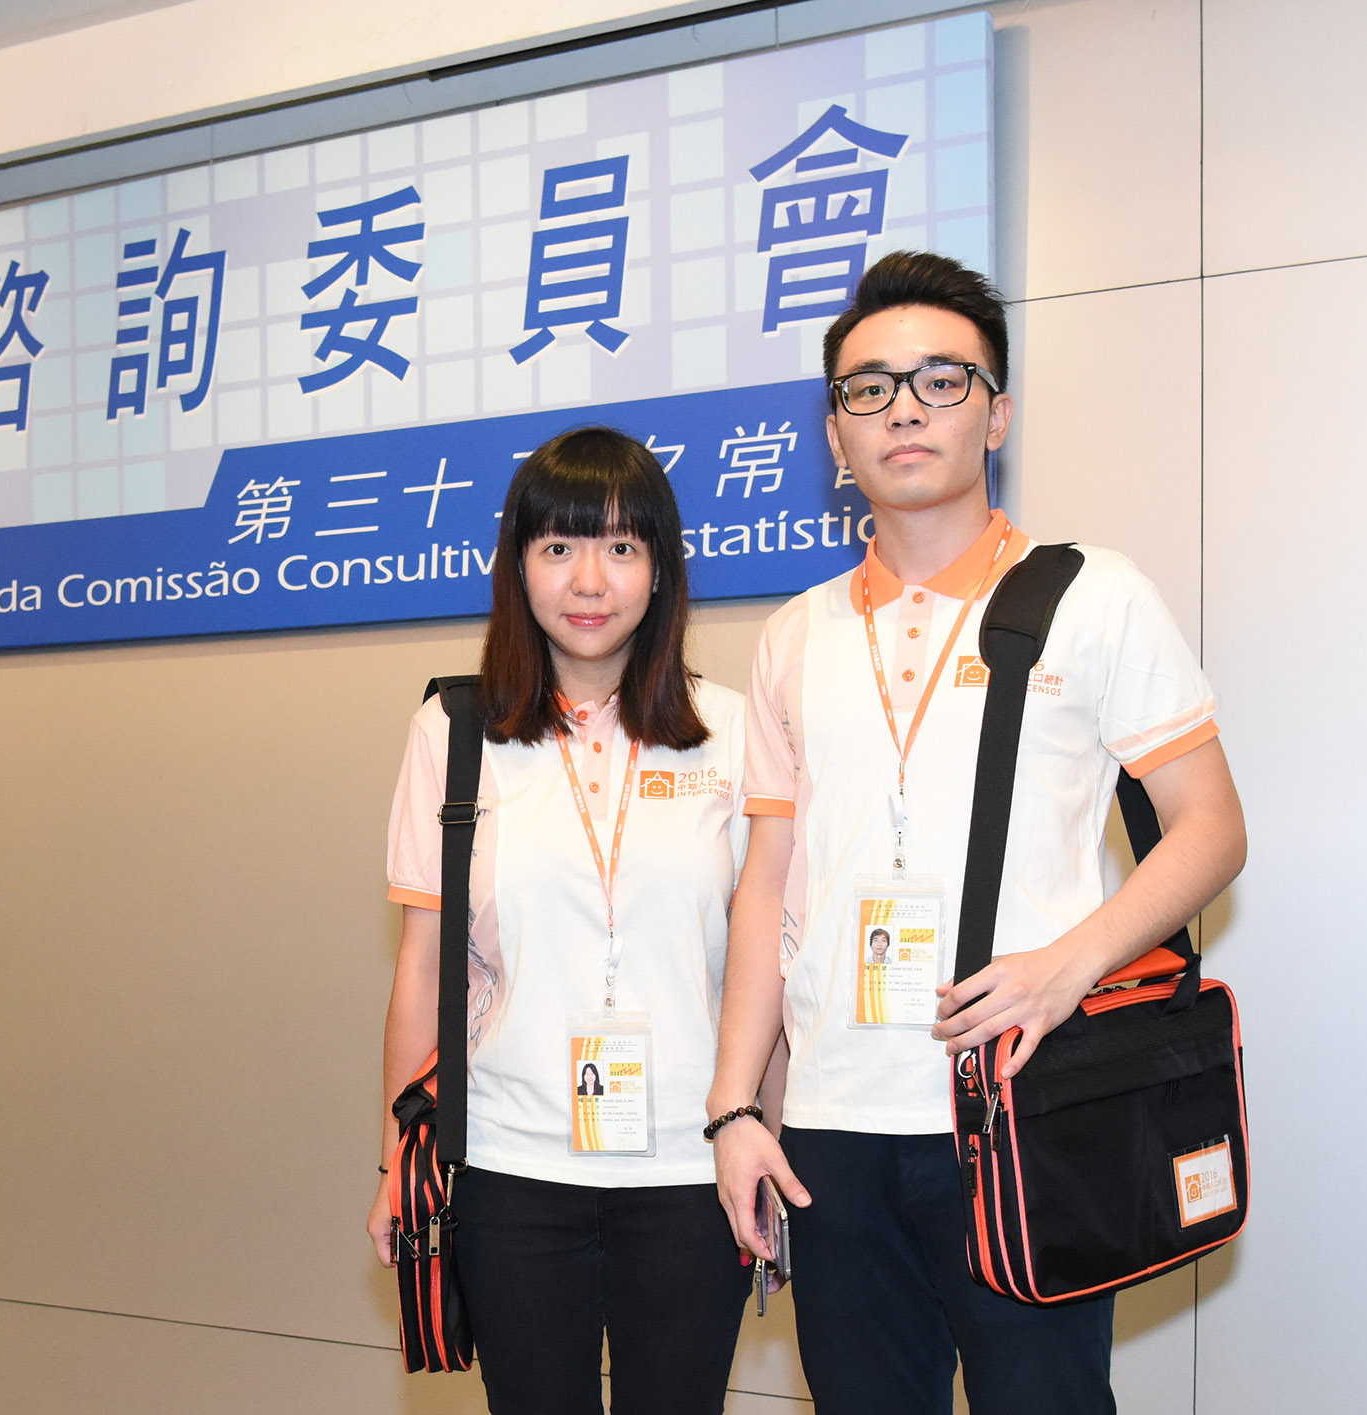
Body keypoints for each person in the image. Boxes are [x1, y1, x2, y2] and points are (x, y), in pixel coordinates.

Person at [703, 252, 1247, 1415]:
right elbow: (766, 885)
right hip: (832, 1130)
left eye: (940, 380)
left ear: (995, 414)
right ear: (834, 434)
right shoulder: (794, 634)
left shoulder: (1092, 594)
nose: (903, 408)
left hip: (1020, 1104)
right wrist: (736, 1106)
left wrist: (1068, 964)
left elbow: (1209, 828)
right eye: (868, 388)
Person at [371, 427, 753, 1415]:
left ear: (662, 568)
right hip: (511, 1166)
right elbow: (423, 967)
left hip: (692, 1166)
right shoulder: (453, 731)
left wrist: (765, 1129)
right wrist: (398, 1162)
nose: (589, 580)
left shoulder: (733, 730)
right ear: (518, 566)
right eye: (558, 547)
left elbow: (766, 962)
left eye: (622, 546)